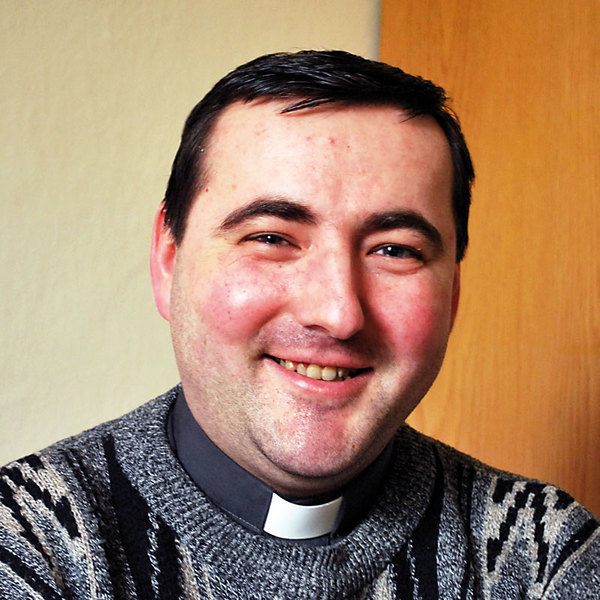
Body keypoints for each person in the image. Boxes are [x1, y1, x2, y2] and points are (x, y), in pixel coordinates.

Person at [1, 50, 598, 599]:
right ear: (169, 258)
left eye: (395, 250)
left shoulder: (544, 556)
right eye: (271, 238)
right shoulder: (28, 541)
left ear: (454, 294)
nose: (338, 314)